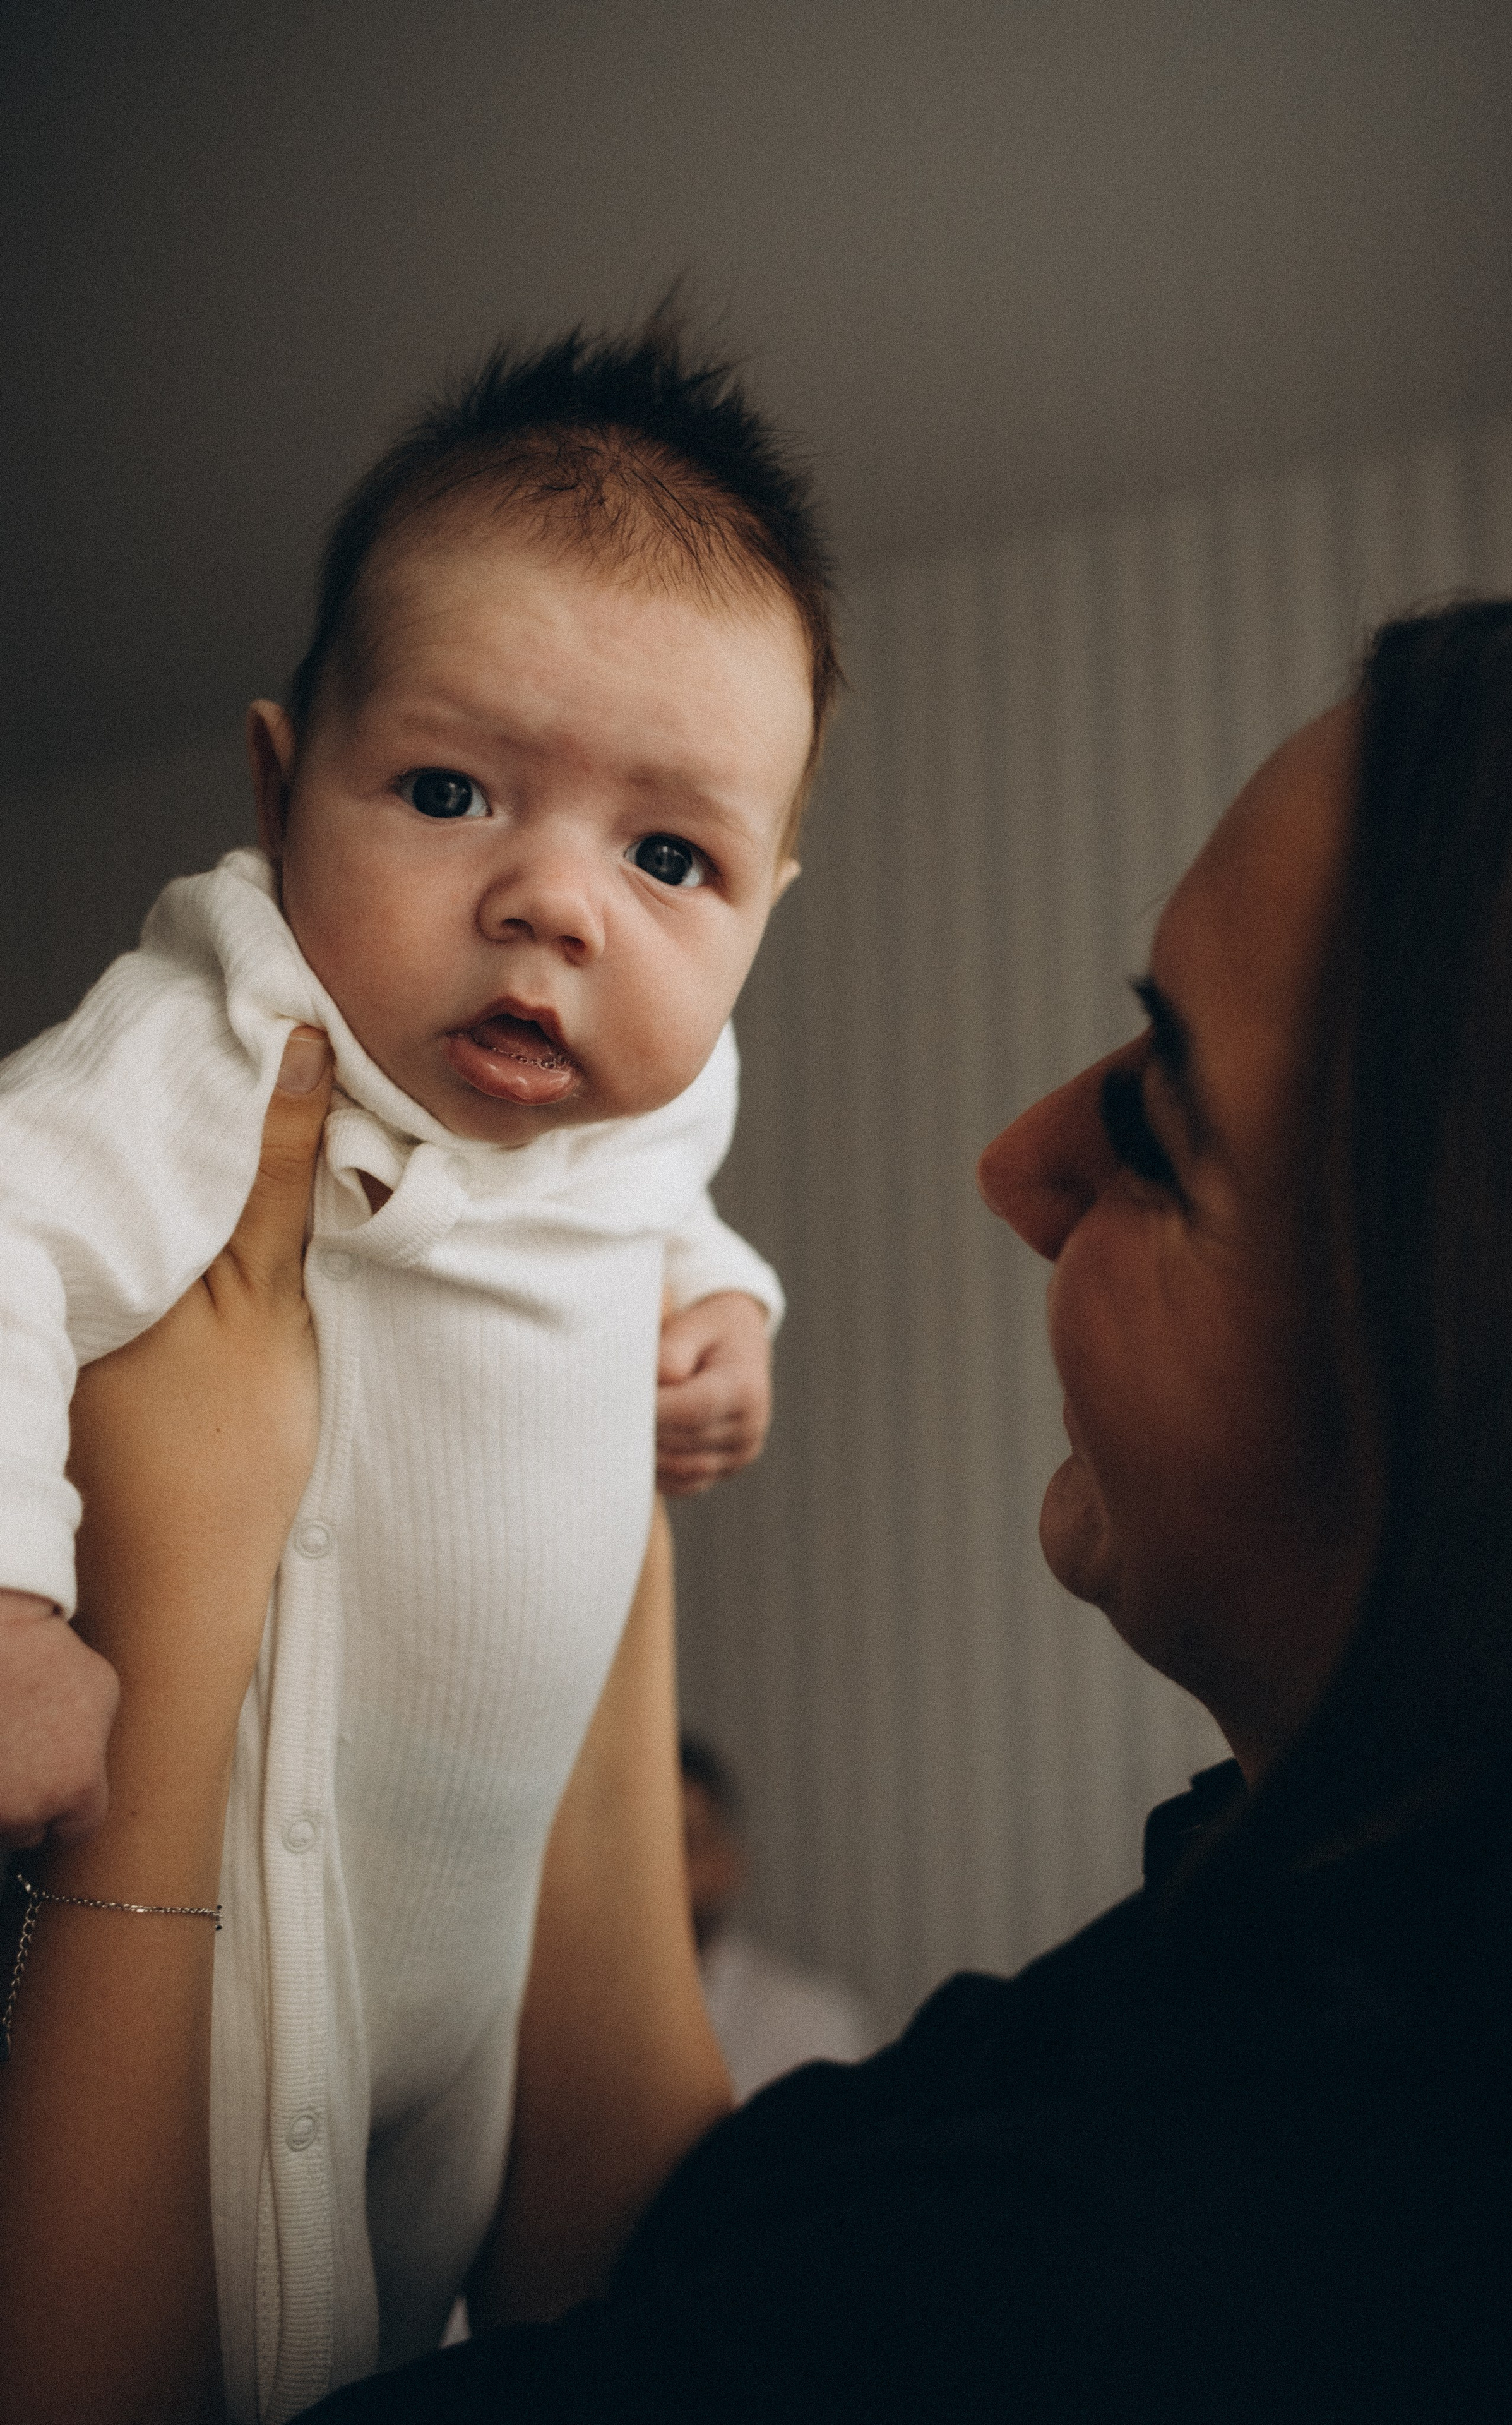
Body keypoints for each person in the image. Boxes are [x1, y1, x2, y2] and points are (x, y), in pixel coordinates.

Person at [4, 597, 1512, 2421]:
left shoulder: (1205, 2268)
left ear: (1483, 1354)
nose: (1018, 1166)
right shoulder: (1273, 1932)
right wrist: (584, 1433)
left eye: (1159, 1123)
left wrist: (177, 1578)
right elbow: (683, 2256)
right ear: (284, 788)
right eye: (449, 790)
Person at [0, 315, 840, 2414]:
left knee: (419, 2327)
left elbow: (670, 1200)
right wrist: (11, 1593)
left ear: (765, 910)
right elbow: (6, 1215)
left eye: (673, 859)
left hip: (476, 1988)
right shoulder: (226, 1026)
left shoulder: (658, 1092)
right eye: (452, 790)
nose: (551, 902)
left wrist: (731, 1316)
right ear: (286, 788)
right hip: (209, 1909)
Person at [679, 1733, 879, 2097]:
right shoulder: (564, 2024)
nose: (657, 1874)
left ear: (728, 1863)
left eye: (684, 1845)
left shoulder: (811, 2026)